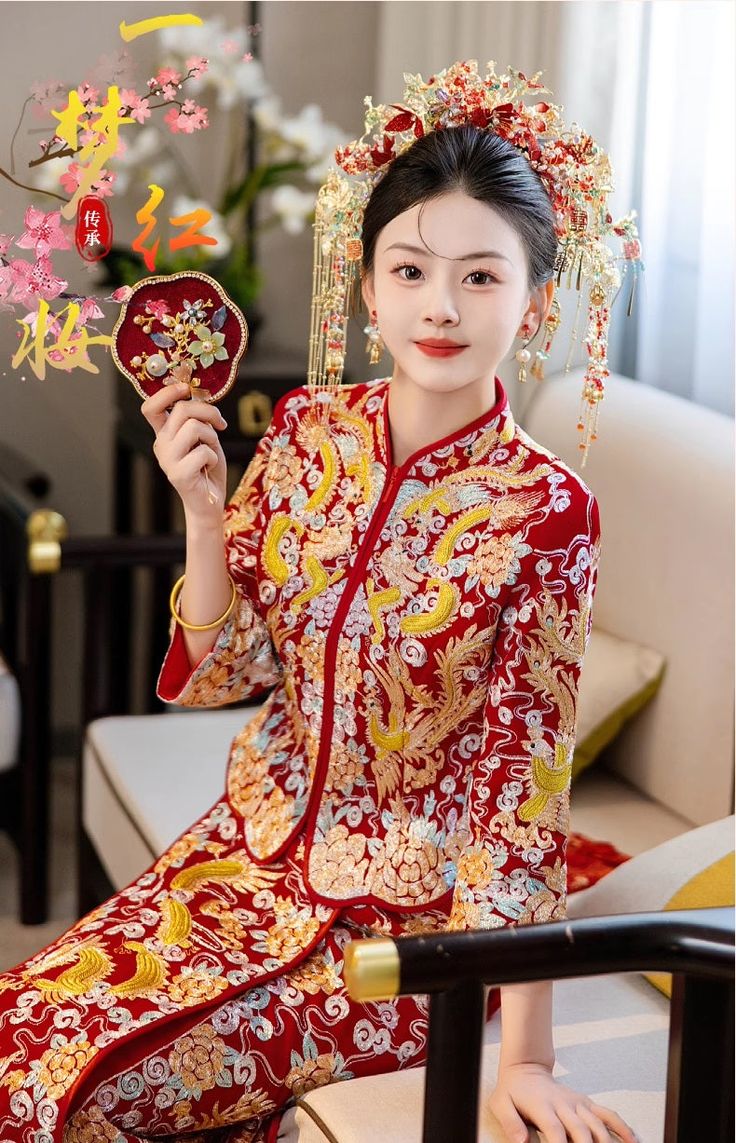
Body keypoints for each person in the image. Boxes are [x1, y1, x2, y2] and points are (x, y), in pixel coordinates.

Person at [0, 62, 641, 1143]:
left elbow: (520, 793)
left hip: (400, 937)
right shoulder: (305, 433)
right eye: (411, 270)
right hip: (240, 856)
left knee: (69, 1094)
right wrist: (205, 517)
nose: (439, 308)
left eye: (481, 278)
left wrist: (526, 1057)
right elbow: (225, 671)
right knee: (22, 1033)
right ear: (369, 281)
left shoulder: (544, 514)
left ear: (534, 297)